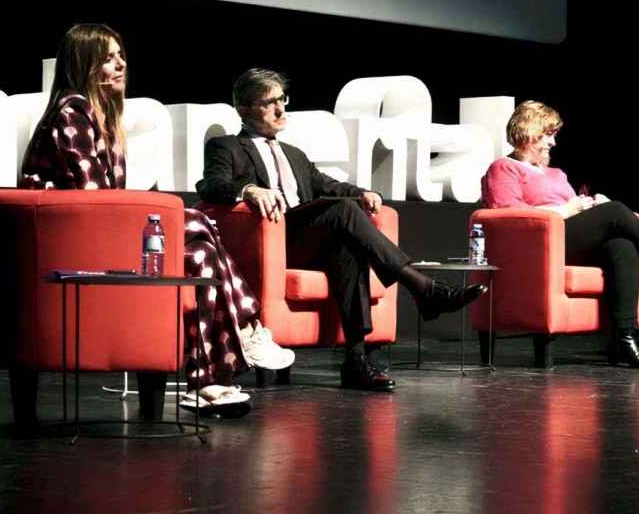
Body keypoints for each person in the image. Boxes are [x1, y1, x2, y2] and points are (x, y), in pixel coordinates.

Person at [20, 24, 297, 418]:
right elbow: (95, 200)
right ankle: (246, 329)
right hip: (73, 246)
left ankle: (207, 380)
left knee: (199, 252)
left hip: (99, 233)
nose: (121, 64)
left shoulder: (98, 115)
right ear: (83, 63)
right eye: (109, 58)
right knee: (195, 220)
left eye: (121, 56)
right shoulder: (72, 111)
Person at [196, 68, 488, 391]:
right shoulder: (226, 147)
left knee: (348, 246)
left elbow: (325, 185)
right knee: (344, 214)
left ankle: (356, 359)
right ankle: (423, 288)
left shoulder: (294, 154)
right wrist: (248, 189)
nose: (281, 110)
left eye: (282, 100)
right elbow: (210, 185)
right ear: (245, 109)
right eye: (270, 103)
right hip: (277, 239)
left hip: (309, 238)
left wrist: (361, 192)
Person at [481, 101, 639, 369]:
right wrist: (566, 209)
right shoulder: (503, 167)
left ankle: (624, 339)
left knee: (621, 244)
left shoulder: (556, 173)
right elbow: (508, 212)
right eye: (549, 134)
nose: (553, 142)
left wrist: (591, 205)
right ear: (530, 132)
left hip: (568, 238)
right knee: (615, 212)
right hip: (537, 246)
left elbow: (575, 208)